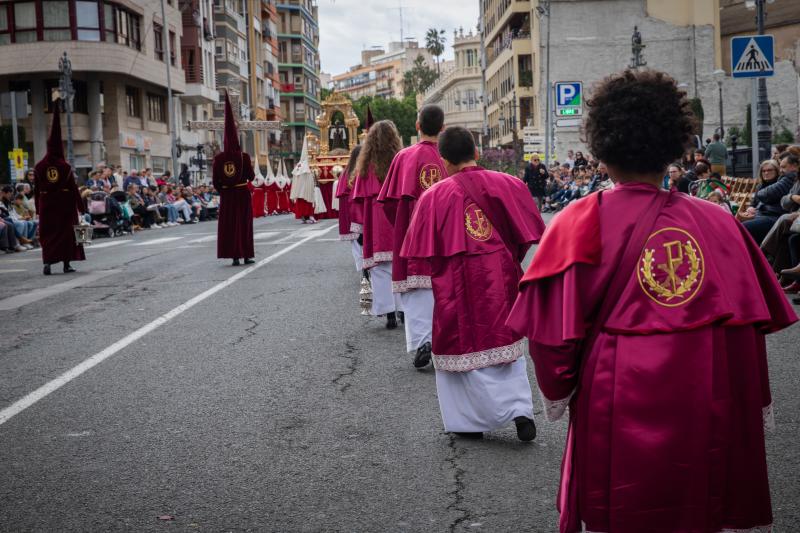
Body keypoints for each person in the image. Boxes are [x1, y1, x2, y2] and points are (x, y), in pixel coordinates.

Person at [507, 69, 797, 533]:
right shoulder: (720, 224)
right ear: (673, 145)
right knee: (696, 505)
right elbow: (747, 332)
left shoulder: (575, 221)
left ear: (601, 148)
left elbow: (552, 342)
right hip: (707, 389)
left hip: (613, 393)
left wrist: (560, 392)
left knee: (621, 508)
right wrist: (745, 402)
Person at [401, 126, 545, 441]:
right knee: (503, 342)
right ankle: (520, 410)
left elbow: (425, 252)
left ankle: (470, 421)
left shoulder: (434, 196)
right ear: (476, 152)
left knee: (463, 344)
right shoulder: (510, 184)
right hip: (500, 274)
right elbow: (523, 238)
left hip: (457, 283)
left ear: (443, 160)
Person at [378, 104, 447, 368]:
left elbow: (387, 202)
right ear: (442, 128)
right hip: (443, 235)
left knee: (417, 291)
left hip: (412, 235)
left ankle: (422, 342)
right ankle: (443, 341)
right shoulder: (448, 155)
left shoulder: (403, 157)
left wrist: (404, 225)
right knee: (443, 288)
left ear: (418, 126)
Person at [352, 120, 403, 329]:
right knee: (399, 266)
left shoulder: (365, 166)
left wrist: (360, 229)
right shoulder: (399, 161)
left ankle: (388, 311)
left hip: (375, 219)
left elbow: (359, 198)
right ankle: (402, 309)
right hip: (396, 217)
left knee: (380, 269)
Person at [33, 105, 86, 275]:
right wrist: (81, 207)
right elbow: (73, 188)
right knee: (66, 235)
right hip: (65, 206)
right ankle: (66, 264)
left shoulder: (39, 167)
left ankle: (47, 263)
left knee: (49, 234)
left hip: (47, 206)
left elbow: (36, 189)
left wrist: (37, 208)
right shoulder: (65, 167)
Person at [211, 92, 255, 266]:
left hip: (228, 196)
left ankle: (234, 256)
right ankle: (246, 255)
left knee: (229, 226)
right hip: (242, 194)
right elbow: (251, 176)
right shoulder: (244, 157)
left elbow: (215, 182)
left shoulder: (218, 159)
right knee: (243, 225)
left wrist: (224, 190)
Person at [742, 156, 795, 243]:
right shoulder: (760, 186)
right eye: (764, 171)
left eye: (770, 170)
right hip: (758, 216)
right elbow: (753, 203)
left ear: (776, 171)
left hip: (773, 217)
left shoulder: (780, 183)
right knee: (733, 224)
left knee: (744, 227)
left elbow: (768, 196)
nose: (766, 173)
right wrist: (750, 208)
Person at [335, 145, 364, 271]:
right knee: (362, 243)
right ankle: (365, 272)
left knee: (357, 245)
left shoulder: (346, 172)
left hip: (354, 213)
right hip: (359, 212)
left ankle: (362, 270)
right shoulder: (363, 170)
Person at [290, 139, 317, 224]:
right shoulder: (306, 168)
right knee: (306, 204)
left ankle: (303, 217)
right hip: (305, 191)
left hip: (299, 192)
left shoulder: (298, 166)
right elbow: (309, 180)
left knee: (301, 205)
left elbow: (295, 180)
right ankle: (307, 216)